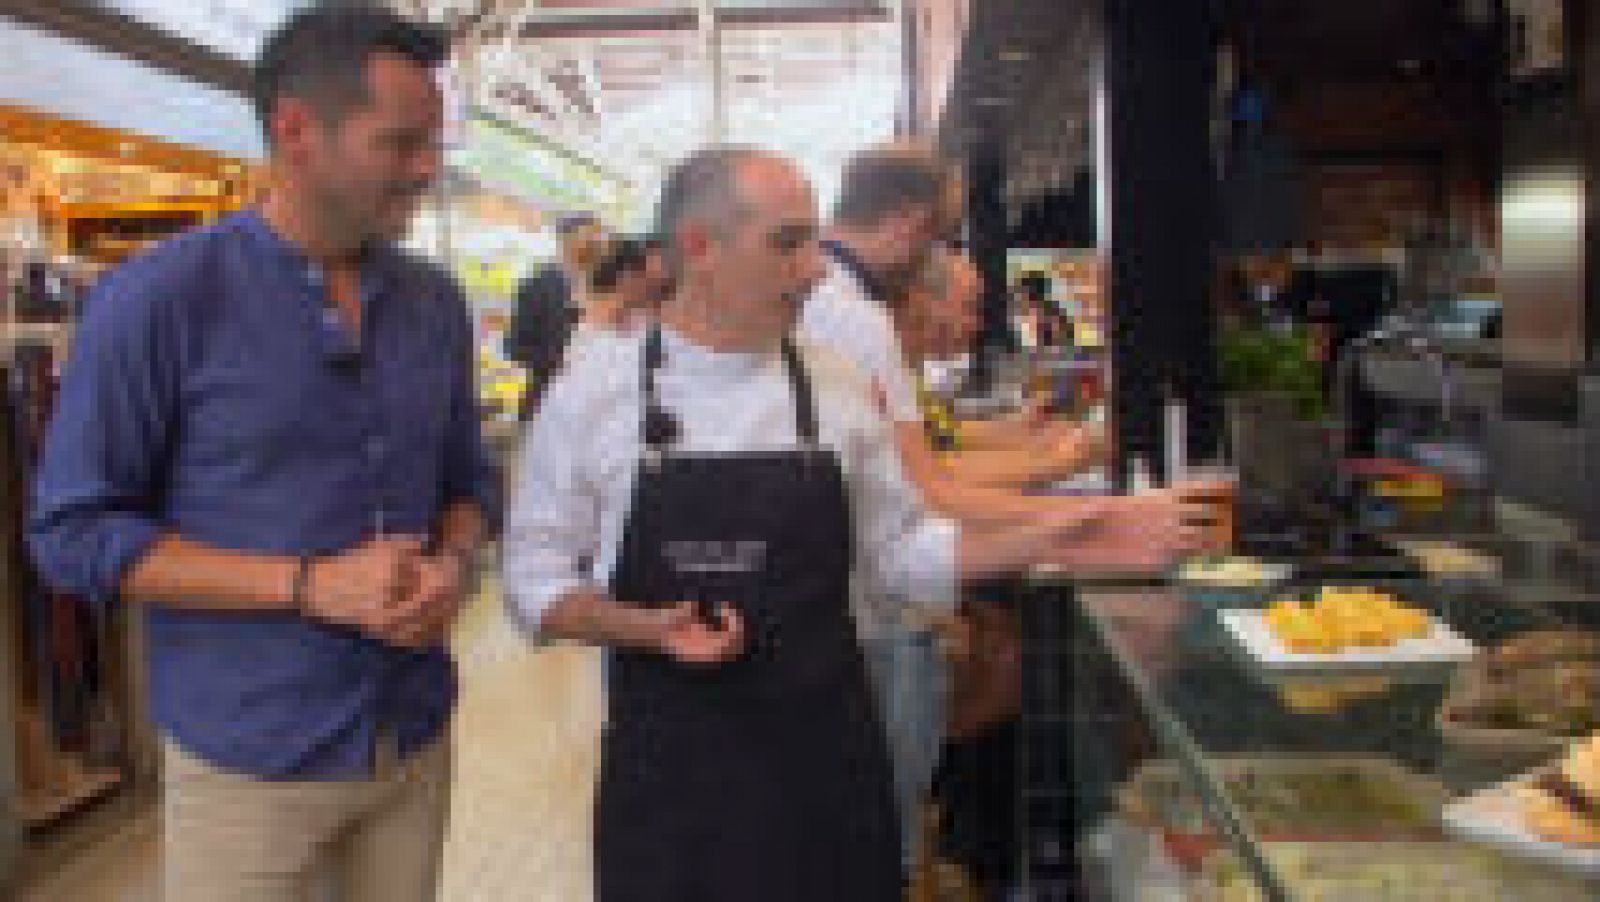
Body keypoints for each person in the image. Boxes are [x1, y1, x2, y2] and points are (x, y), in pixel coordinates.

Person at [502, 146, 1201, 901]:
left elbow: (901, 556)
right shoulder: (594, 394)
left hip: (826, 763)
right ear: (699, 248)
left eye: (810, 241)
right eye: (786, 242)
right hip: (674, 779)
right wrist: (646, 629)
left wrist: (1074, 534)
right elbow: (532, 582)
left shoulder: (833, 386)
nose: (813, 270)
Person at [26, 5, 496, 900]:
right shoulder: (157, 302)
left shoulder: (434, 303)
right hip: (249, 762)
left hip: (412, 738)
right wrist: (310, 585)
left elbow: (469, 479)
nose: (429, 169)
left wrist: (456, 557)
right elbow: (74, 533)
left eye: (432, 142)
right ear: (296, 131)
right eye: (400, 143)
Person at [508, 212, 607, 417]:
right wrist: (560, 363)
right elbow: (516, 347)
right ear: (567, 240)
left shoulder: (605, 285)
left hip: (591, 408)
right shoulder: (537, 284)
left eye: (599, 235)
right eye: (590, 235)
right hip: (546, 402)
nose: (597, 242)